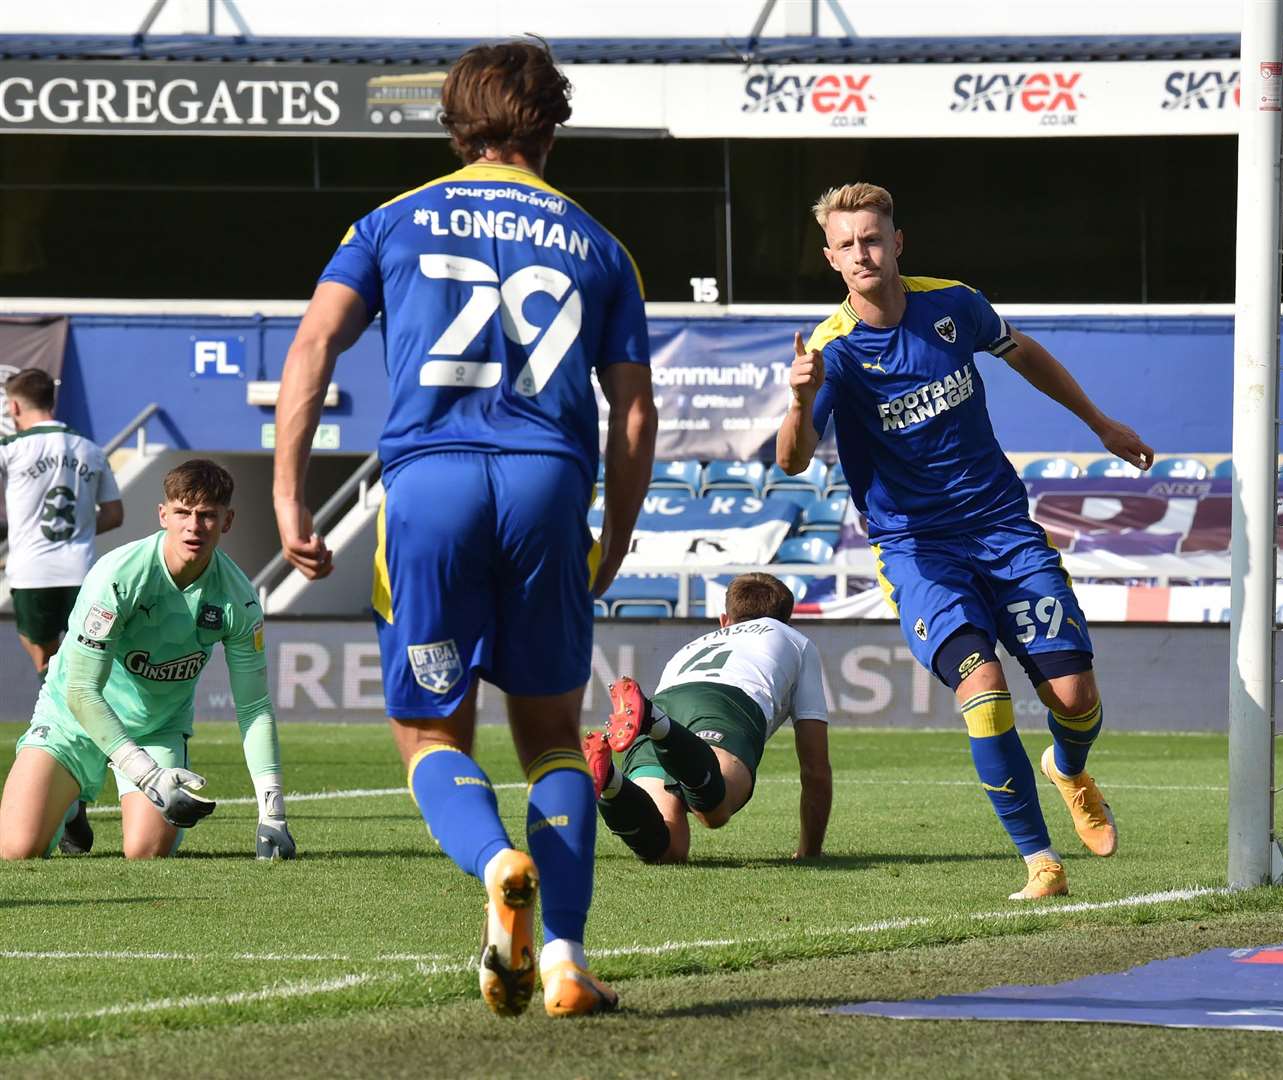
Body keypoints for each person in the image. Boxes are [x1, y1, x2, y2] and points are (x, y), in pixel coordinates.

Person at [272, 40, 655, 1020]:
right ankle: (565, 958)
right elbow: (636, 413)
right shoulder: (603, 246)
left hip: (430, 487)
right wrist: (613, 532)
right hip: (548, 486)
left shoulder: (390, 219)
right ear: (552, 127)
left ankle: (496, 863)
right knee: (552, 739)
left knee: (428, 729)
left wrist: (287, 496)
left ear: (452, 121)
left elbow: (314, 343)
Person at [775, 182, 1154, 901]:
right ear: (831, 257)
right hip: (919, 551)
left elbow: (1023, 352)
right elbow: (791, 460)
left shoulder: (953, 304)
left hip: (1004, 530)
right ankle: (1040, 861)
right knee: (982, 690)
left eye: (873, 237)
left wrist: (1099, 423)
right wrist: (799, 398)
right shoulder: (836, 352)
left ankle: (1069, 770)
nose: (863, 251)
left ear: (897, 241)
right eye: (847, 243)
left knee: (1073, 696)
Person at [0, 458, 294, 862]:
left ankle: (75, 798)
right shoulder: (116, 576)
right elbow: (82, 691)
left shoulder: (239, 599)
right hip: (72, 719)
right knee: (16, 849)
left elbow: (255, 706)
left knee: (145, 852)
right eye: (183, 513)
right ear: (163, 515)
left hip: (156, 729)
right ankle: (70, 805)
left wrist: (272, 812)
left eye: (208, 515)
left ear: (227, 522)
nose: (194, 526)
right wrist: (146, 774)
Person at [584, 573, 832, 864]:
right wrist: (810, 851)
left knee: (670, 850)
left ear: (724, 620)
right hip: (724, 705)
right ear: (786, 621)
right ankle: (654, 723)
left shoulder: (691, 647)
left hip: (661, 707)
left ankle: (612, 782)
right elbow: (815, 768)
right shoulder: (795, 640)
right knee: (713, 812)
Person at [2, 367, 125, 852]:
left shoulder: (12, 450)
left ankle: (64, 791)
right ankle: (74, 795)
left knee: (48, 674)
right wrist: (77, 533)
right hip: (83, 571)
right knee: (82, 675)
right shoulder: (91, 449)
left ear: (14, 407)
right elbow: (114, 513)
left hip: (32, 573)